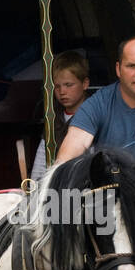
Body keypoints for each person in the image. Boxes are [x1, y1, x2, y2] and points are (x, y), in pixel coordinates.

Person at [54, 36, 135, 236]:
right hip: (101, 193)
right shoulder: (99, 103)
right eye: (131, 66)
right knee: (62, 215)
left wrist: (127, 193)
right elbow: (70, 150)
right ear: (118, 69)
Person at [30, 50, 89, 182]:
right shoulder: (53, 118)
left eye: (69, 85)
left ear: (85, 84)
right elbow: (40, 163)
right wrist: (33, 188)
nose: (62, 92)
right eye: (57, 86)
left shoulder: (95, 116)